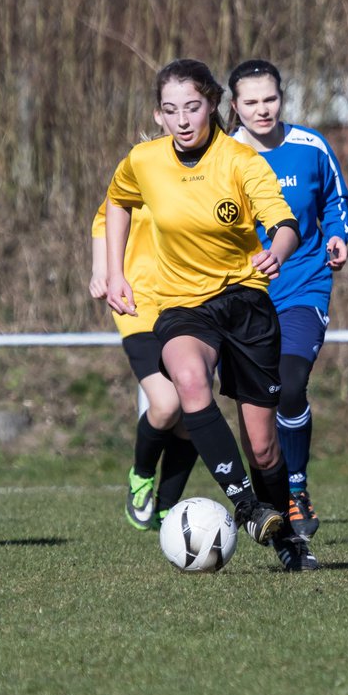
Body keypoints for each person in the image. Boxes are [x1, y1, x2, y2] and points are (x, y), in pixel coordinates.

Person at [104, 58, 317, 571]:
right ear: (158, 115)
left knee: (264, 449)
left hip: (244, 301)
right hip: (181, 305)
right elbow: (117, 202)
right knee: (188, 379)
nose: (182, 120)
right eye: (170, 110)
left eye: (192, 108)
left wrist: (279, 251)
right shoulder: (143, 161)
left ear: (212, 106)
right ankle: (246, 508)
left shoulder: (240, 162)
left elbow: (284, 223)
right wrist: (115, 271)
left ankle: (288, 541)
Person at [227, 59, 348, 540]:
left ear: (283, 97)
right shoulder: (223, 156)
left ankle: (296, 490)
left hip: (304, 284)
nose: (263, 110)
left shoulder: (310, 146)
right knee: (256, 405)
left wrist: (338, 236)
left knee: (291, 382)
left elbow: (336, 202)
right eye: (251, 102)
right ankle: (266, 499)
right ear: (234, 106)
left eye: (271, 99)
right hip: (241, 297)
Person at [89, 200, 198, 531]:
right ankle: (141, 476)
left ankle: (167, 506)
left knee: (194, 411)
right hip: (137, 307)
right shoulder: (135, 173)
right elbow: (103, 222)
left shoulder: (200, 175)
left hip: (190, 305)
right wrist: (100, 270)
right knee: (167, 405)